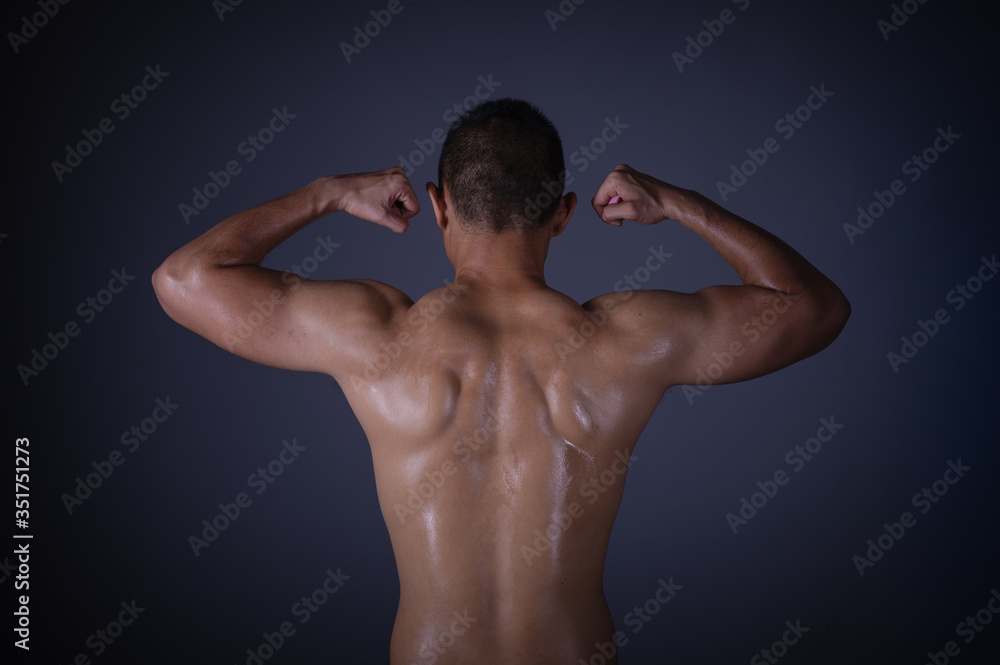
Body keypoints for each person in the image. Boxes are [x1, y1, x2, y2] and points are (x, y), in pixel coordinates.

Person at [152, 98, 850, 664]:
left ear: (438, 203)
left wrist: (328, 193)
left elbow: (185, 278)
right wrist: (678, 202)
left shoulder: (379, 335)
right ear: (564, 213)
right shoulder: (628, 339)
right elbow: (815, 308)